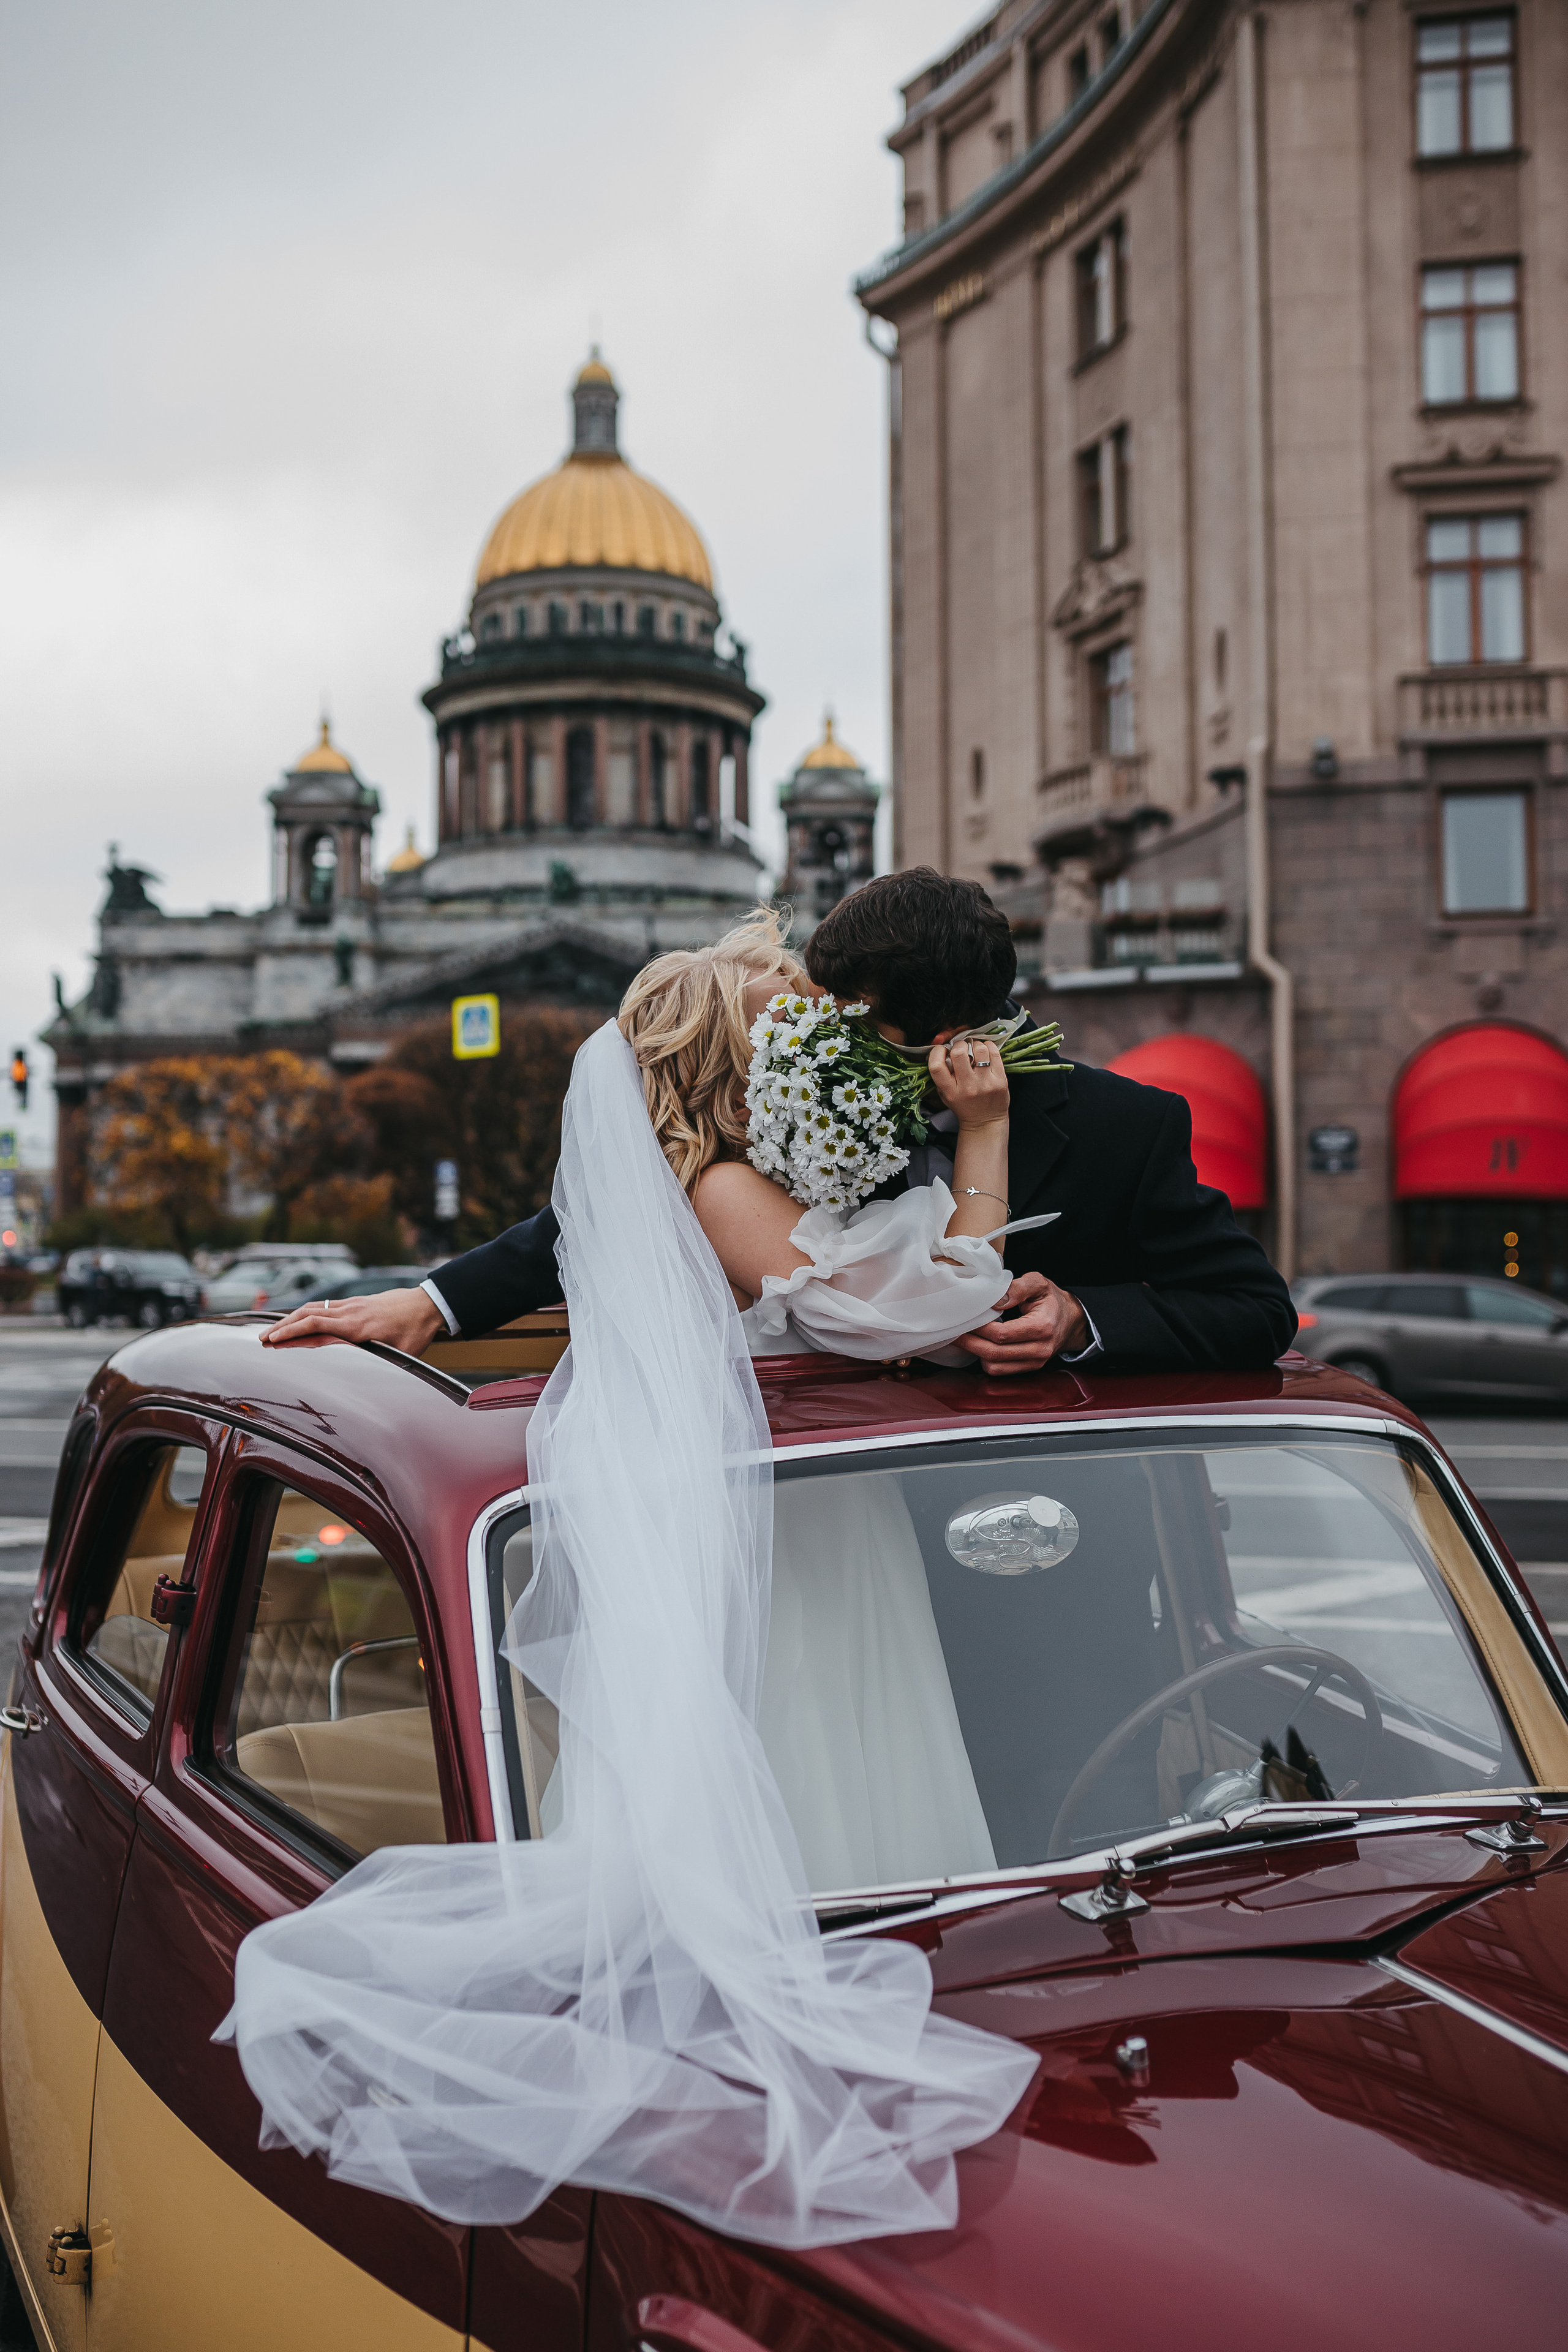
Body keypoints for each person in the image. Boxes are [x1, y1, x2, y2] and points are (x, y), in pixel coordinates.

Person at [222, 924, 1039, 2252]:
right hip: (803, 1546)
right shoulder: (720, 1187)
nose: (820, 1030)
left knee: (843, 1763)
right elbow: (928, 1306)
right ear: (742, 1063)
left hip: (826, 1528)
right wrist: (986, 1136)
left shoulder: (732, 1173)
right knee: (818, 1756)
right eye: (793, 1022)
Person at [264, 871, 1297, 1373]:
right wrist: (435, 1301)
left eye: (854, 1025)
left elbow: (1254, 1310)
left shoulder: (1127, 1128)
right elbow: (627, 1201)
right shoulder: (794, 1106)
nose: (817, 1043)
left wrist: (1084, 1322)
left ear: (946, 1031)